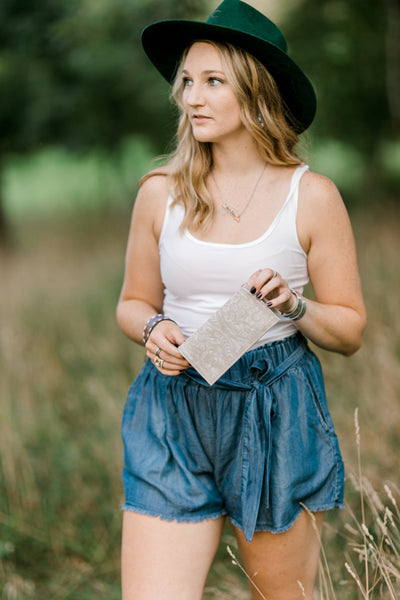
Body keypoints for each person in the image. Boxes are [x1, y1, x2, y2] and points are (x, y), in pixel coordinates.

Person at [116, 1, 367, 598]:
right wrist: (153, 331)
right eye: (185, 82)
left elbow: (352, 331)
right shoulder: (160, 193)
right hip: (173, 411)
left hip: (274, 410)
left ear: (255, 92)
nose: (190, 98)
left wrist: (294, 307)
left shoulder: (312, 197)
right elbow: (131, 302)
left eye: (212, 82)